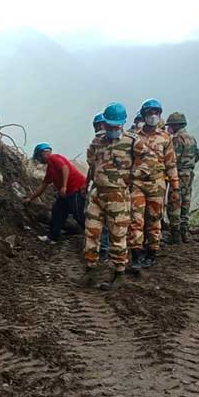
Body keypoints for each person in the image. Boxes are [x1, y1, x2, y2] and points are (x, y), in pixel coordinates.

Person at [81, 102, 136, 288]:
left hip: (118, 196)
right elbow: (91, 163)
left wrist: (128, 181)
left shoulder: (133, 143)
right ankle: (90, 270)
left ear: (122, 124)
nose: (112, 129)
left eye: (115, 125)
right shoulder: (97, 142)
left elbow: (147, 166)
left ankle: (119, 273)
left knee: (117, 235)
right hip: (97, 194)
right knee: (91, 233)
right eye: (109, 125)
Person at [127, 99, 180, 272]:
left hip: (157, 184)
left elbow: (171, 164)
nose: (153, 116)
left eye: (156, 113)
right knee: (136, 220)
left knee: (154, 220)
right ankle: (136, 256)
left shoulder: (165, 138)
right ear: (144, 115)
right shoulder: (133, 137)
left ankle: (151, 254)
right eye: (150, 113)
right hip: (137, 184)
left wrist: (175, 187)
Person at [23, 143, 87, 243]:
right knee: (57, 211)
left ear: (43, 153)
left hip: (76, 189)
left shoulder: (54, 158)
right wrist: (30, 198)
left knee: (78, 214)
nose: (39, 160)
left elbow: (65, 168)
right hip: (66, 192)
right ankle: (53, 237)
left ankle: (94, 236)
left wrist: (64, 187)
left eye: (39, 157)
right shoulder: (50, 168)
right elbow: (43, 185)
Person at [166, 112, 199, 243]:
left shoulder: (176, 139)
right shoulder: (192, 138)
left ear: (175, 125)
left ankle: (175, 236)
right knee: (185, 203)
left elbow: (173, 159)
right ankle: (184, 233)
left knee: (174, 204)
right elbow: (196, 157)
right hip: (190, 174)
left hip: (179, 175)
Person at [88, 113, 110, 261]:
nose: (99, 128)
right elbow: (92, 167)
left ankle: (103, 250)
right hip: (99, 186)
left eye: (100, 125)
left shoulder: (114, 142)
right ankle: (101, 250)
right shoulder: (95, 143)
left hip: (111, 188)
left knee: (104, 220)